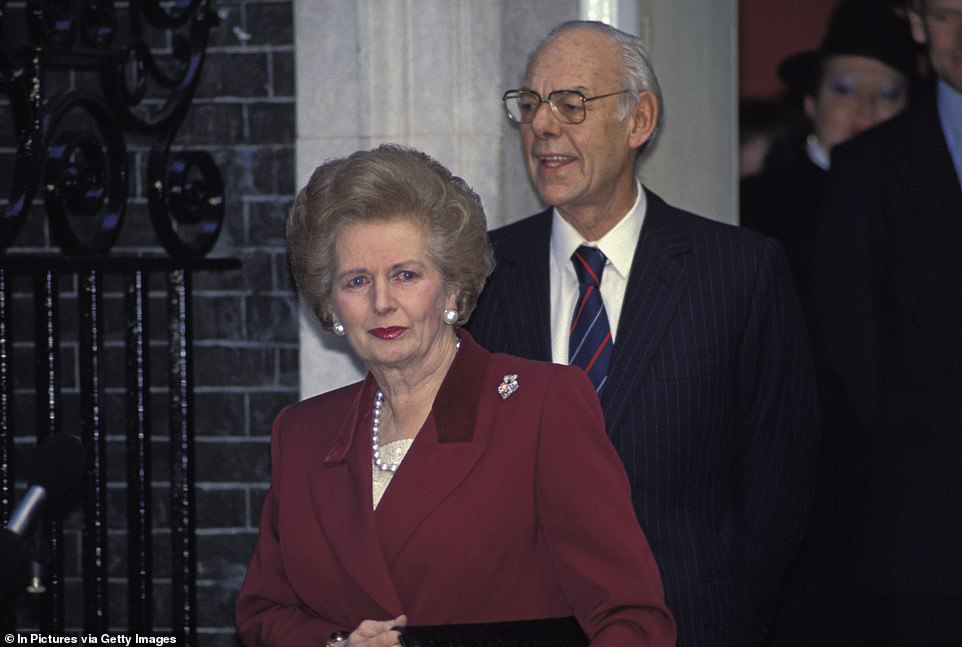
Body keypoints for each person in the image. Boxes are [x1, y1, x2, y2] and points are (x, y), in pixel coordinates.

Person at [235, 145, 676, 646]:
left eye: (406, 275)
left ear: (452, 289)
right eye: (357, 281)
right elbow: (263, 615)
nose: (382, 302)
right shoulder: (302, 435)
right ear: (331, 305)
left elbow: (632, 619)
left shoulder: (541, 407)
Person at [467, 20, 818, 647]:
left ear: (639, 120)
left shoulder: (739, 273)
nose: (544, 126)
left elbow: (778, 485)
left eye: (571, 104)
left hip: (690, 622)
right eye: (530, 105)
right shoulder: (482, 274)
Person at [807, 0, 962, 643]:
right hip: (928, 535)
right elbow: (852, 351)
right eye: (950, 14)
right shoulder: (869, 168)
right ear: (921, 25)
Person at [741, 0, 920, 296]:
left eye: (888, 95)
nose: (866, 109)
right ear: (811, 103)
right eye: (845, 90)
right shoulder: (758, 204)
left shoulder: (925, 202)